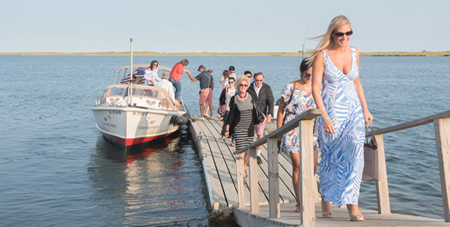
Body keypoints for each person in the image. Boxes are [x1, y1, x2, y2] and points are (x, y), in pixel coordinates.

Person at [311, 15, 373, 222]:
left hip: (353, 111)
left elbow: (357, 83)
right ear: (332, 34)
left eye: (348, 33)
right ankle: (326, 199)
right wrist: (324, 116)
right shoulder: (322, 55)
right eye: (340, 34)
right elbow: (316, 89)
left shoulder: (355, 52)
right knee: (331, 159)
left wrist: (365, 110)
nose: (344, 37)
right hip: (331, 112)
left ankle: (352, 204)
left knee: (356, 155)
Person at [277, 57, 321, 213]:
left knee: (312, 167)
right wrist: (279, 132)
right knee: (298, 165)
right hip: (292, 129)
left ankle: (308, 194)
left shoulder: (317, 87)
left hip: (312, 131)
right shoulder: (291, 86)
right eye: (307, 74)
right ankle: (300, 201)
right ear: (301, 72)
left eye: (312, 74)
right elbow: (281, 109)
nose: (309, 78)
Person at [225, 76, 257, 183]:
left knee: (248, 151)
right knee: (240, 151)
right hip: (239, 128)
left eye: (245, 85)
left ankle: (243, 166)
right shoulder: (234, 99)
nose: (243, 87)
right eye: (241, 85)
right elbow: (231, 115)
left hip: (249, 128)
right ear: (238, 85)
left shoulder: (251, 96)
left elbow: (257, 109)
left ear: (247, 86)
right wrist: (227, 129)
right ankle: (242, 172)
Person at [247, 72, 274, 165]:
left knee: (260, 135)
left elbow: (270, 101)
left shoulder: (267, 88)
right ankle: (248, 155)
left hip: (261, 116)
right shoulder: (248, 88)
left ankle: (258, 155)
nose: (258, 82)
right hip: (249, 116)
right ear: (254, 79)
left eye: (260, 80)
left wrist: (269, 114)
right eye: (257, 80)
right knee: (249, 136)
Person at [219, 77, 236, 146]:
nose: (230, 84)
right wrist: (222, 105)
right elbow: (221, 98)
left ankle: (234, 140)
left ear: (234, 83)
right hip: (227, 109)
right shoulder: (226, 90)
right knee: (226, 123)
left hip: (234, 110)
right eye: (229, 82)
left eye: (232, 82)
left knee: (234, 125)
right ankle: (223, 134)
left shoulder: (236, 90)